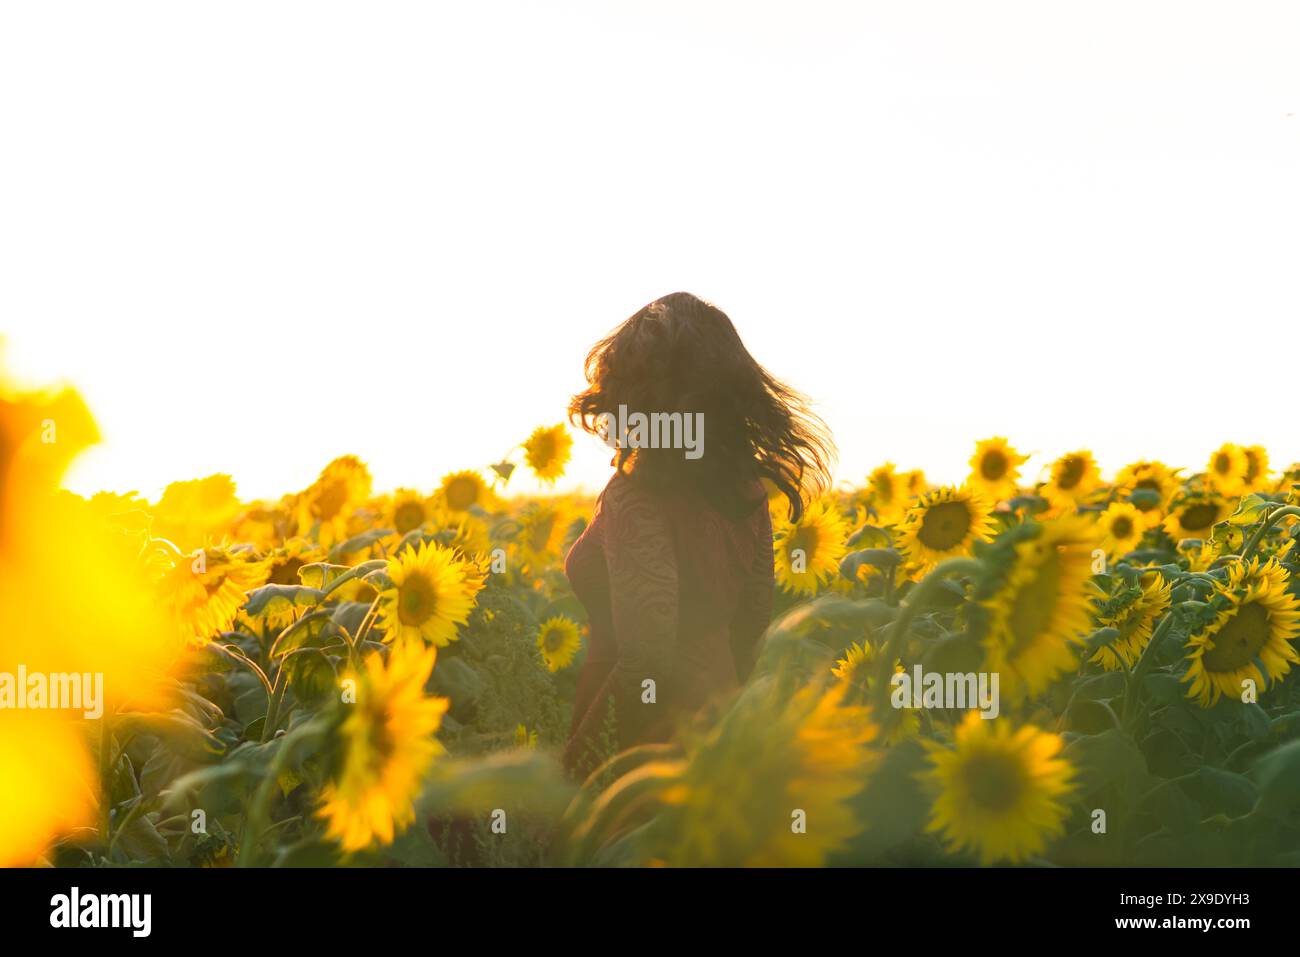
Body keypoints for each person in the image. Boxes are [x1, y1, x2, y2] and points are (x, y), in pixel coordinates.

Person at [561, 291, 834, 778]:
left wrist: (581, 769)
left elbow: (646, 655)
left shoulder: (636, 496)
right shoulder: (746, 491)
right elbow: (752, 621)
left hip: (639, 747)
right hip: (719, 731)